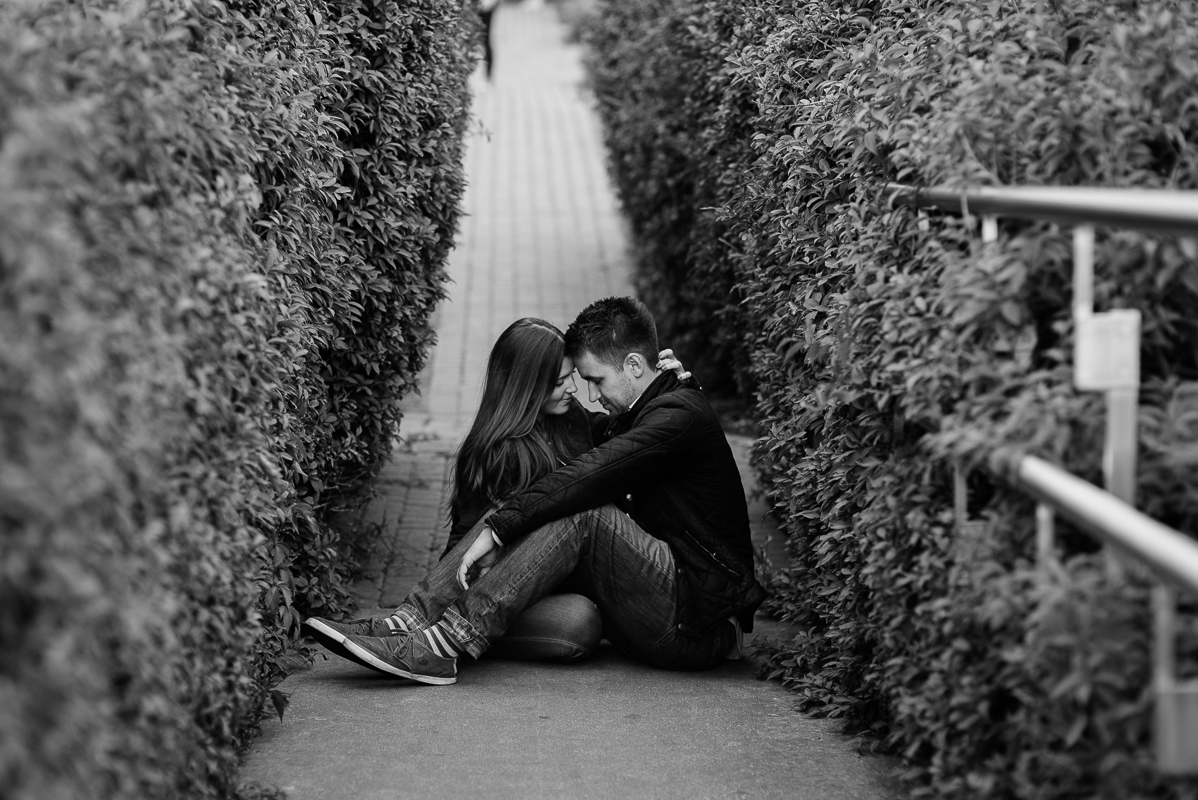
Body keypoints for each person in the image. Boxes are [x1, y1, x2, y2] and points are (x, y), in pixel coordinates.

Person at [311, 297, 766, 684]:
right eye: (571, 381)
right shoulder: (650, 414)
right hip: (665, 609)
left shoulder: (677, 416)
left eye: (594, 380)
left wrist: (500, 530)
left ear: (633, 365)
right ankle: (408, 623)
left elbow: (594, 471)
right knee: (568, 522)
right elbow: (617, 444)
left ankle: (443, 644)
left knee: (583, 517)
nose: (587, 394)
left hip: (697, 624)